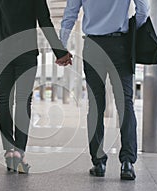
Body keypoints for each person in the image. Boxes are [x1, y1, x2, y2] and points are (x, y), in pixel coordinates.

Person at [60, 0, 149, 180]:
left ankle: (98, 162)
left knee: (95, 105)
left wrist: (61, 46)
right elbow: (143, 12)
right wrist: (130, 33)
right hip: (121, 46)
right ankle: (127, 163)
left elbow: (70, 15)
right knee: (125, 105)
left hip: (93, 46)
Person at [0, 0, 72, 174]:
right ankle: (19, 154)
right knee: (23, 102)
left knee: (4, 100)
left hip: (3, 53)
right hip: (26, 54)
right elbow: (45, 23)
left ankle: (9, 152)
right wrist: (60, 52)